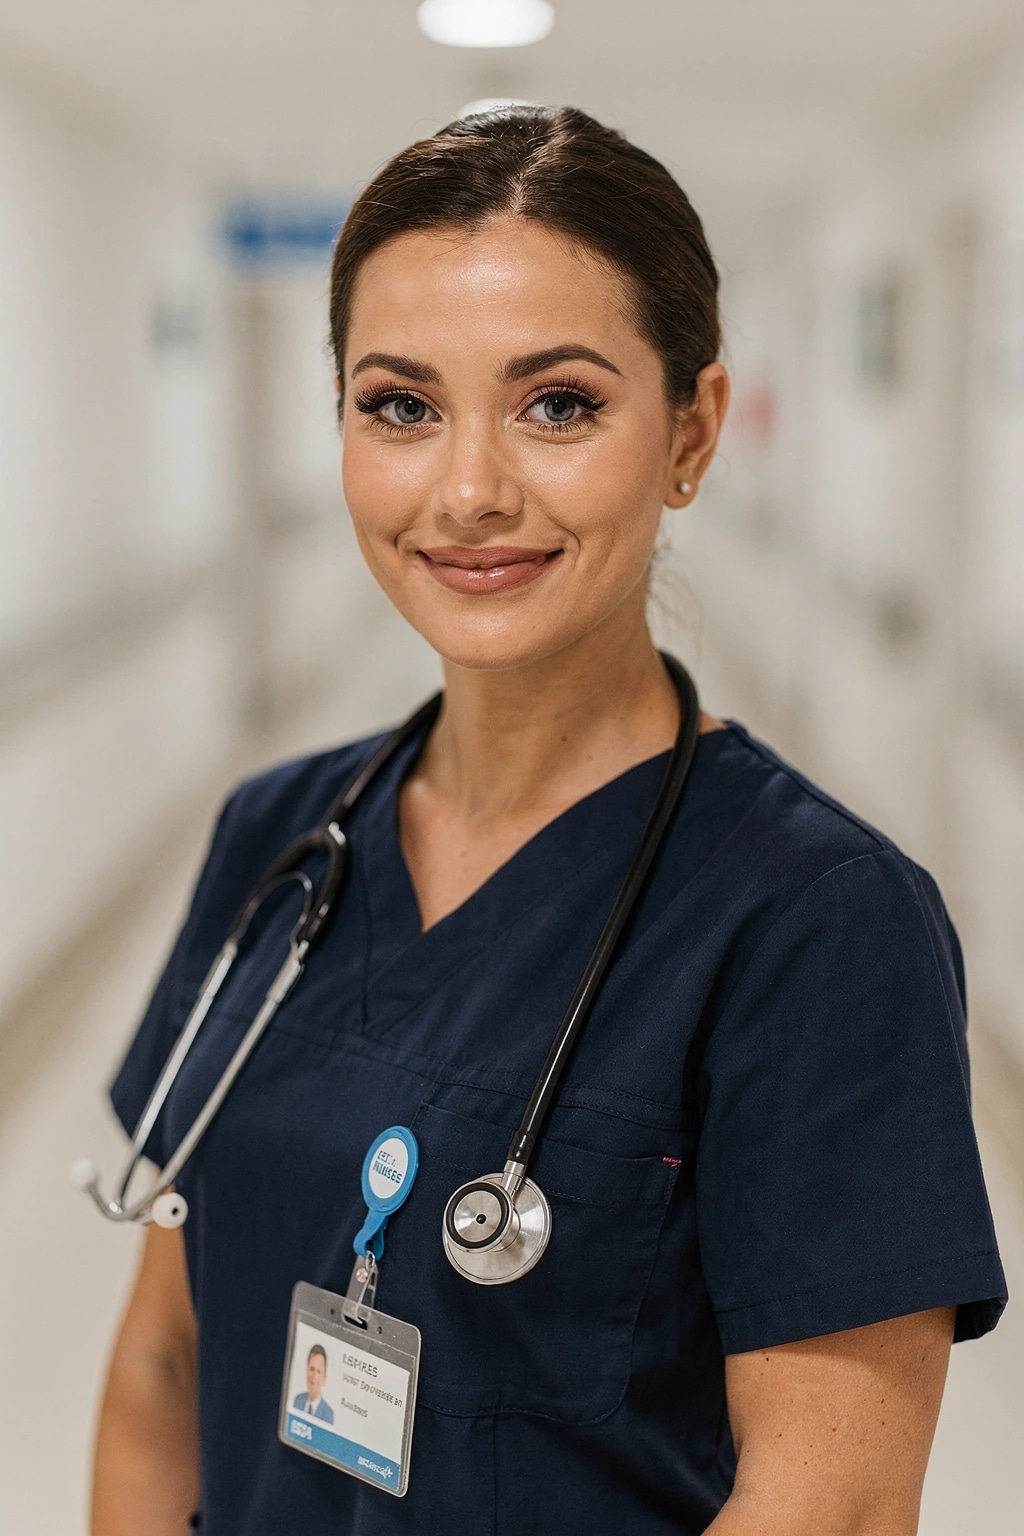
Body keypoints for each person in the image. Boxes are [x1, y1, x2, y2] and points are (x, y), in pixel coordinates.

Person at [91, 106, 1006, 1536]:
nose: (469, 490)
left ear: (691, 431)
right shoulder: (278, 838)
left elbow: (825, 1509)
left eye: (559, 403)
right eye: (400, 404)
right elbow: (163, 1359)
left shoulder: (819, 924)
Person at [292, 1344, 334, 1424]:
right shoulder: (297, 1400)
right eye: (312, 1369)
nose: (314, 1376)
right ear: (306, 1371)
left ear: (324, 1378)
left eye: (319, 1372)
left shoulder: (328, 1414)